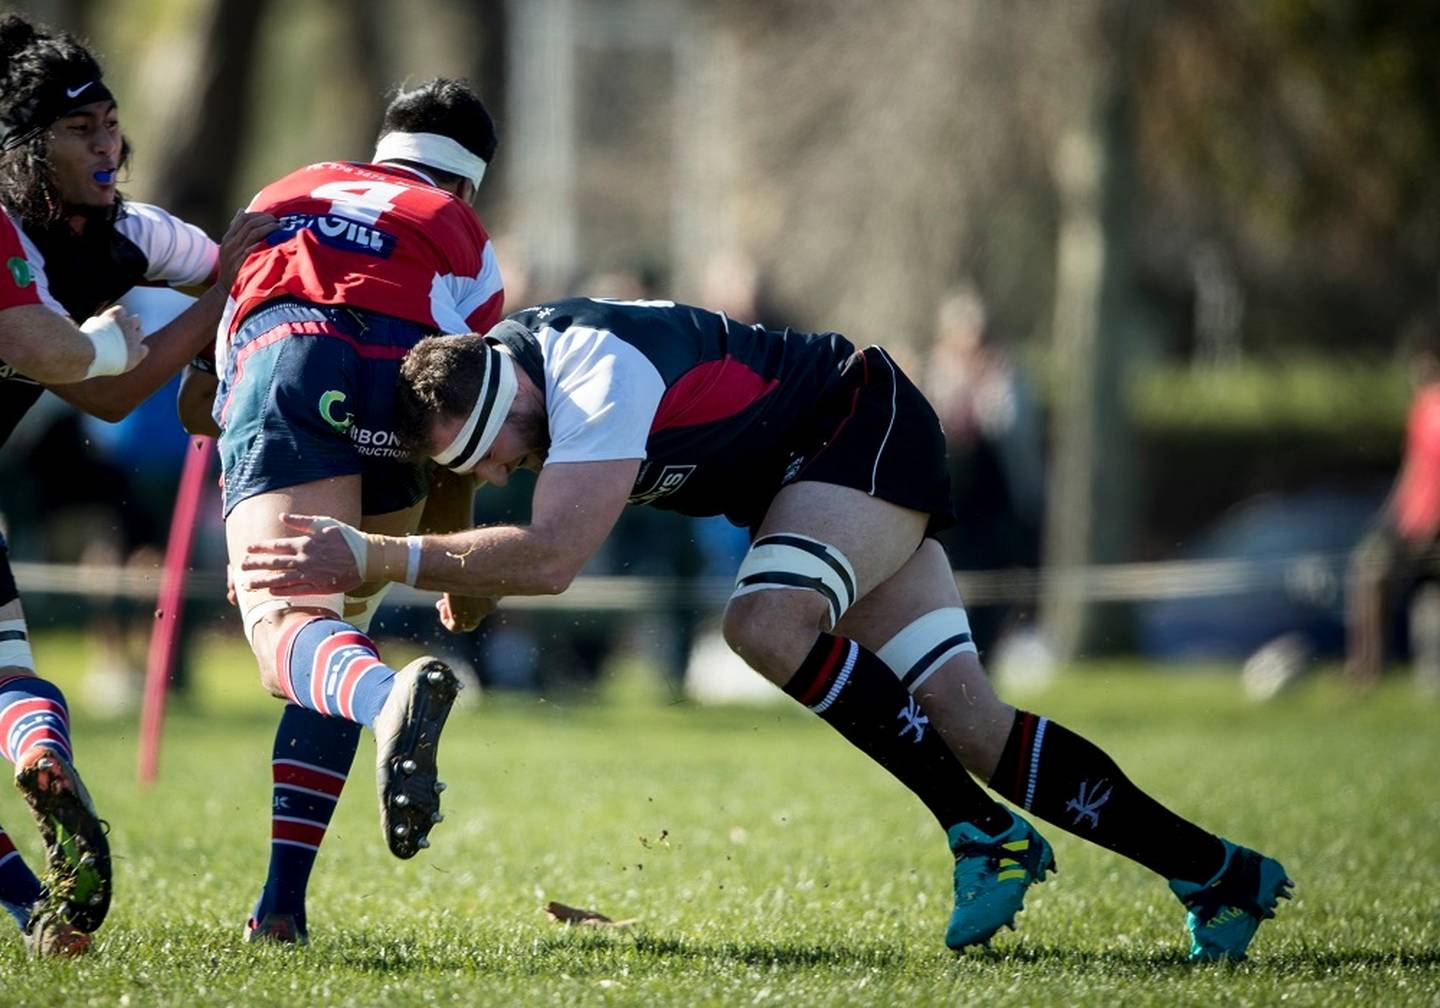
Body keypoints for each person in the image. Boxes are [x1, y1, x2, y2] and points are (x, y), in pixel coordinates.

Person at [241, 297, 1294, 961]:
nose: (507, 475)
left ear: (507, 410)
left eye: (501, 460)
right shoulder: (520, 384)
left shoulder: (593, 374)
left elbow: (553, 558)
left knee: (763, 622)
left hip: (857, 432)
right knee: (971, 724)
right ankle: (1220, 873)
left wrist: (381, 558)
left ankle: (983, 835)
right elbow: (507, 556)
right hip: (821, 474)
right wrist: (456, 579)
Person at [0, 12, 274, 956]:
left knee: (6, 678)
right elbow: (62, 354)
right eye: (81, 130)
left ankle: (41, 813)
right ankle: (40, 897)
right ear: (24, 149)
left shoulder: (133, 233)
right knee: (6, 679)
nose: (109, 141)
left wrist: (233, 304)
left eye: (111, 121)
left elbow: (241, 269)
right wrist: (183, 319)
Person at [209, 78, 505, 945]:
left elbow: (206, 394)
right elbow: (461, 415)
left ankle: (388, 700)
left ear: (382, 151)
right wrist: (462, 569)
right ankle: (280, 911)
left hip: (293, 350)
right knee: (332, 629)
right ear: (472, 181)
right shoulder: (463, 232)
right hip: (399, 361)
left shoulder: (285, 190)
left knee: (287, 629)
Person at [1346, 332, 1440, 686]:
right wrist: (1390, 514)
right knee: (1369, 574)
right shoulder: (1421, 408)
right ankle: (1366, 670)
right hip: (1410, 524)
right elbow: (1414, 468)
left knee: (1375, 577)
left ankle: (1368, 671)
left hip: (1430, 530)